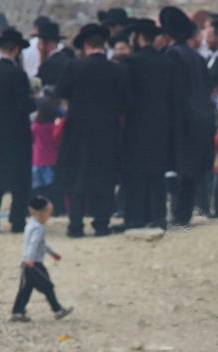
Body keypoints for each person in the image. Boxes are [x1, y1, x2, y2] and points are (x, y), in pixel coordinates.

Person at [57, 23, 129, 237]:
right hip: (107, 129)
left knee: (77, 175)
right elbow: (126, 101)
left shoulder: (74, 66)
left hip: (78, 129)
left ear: (86, 45)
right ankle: (101, 223)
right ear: (104, 45)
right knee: (104, 176)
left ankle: (76, 224)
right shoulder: (117, 69)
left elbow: (61, 91)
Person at [161, 7, 215, 226]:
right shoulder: (197, 58)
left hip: (180, 118)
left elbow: (171, 91)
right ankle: (183, 213)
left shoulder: (172, 55)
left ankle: (178, 213)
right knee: (190, 169)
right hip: (200, 118)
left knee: (176, 167)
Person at [0, 28, 34, 235]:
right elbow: (24, 105)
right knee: (19, 177)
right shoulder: (18, 75)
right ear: (17, 50)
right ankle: (17, 220)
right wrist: (34, 101)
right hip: (16, 131)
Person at [119, 18, 173, 230]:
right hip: (160, 122)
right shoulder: (167, 62)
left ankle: (135, 217)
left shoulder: (132, 62)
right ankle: (159, 216)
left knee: (136, 172)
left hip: (136, 122)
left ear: (139, 37)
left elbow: (126, 95)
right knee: (157, 171)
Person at [11, 196, 69, 322]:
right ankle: (57, 310)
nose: (49, 215)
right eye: (48, 212)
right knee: (47, 286)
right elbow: (33, 243)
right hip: (33, 264)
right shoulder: (38, 228)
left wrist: (52, 253)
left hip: (28, 263)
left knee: (25, 289)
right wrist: (30, 259)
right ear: (39, 212)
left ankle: (18, 312)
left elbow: (41, 244)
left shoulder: (31, 225)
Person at [30, 100, 59, 200]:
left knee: (39, 187)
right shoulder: (54, 126)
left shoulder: (35, 126)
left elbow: (32, 139)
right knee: (51, 186)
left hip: (38, 159)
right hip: (52, 159)